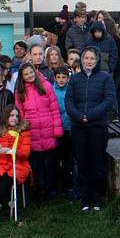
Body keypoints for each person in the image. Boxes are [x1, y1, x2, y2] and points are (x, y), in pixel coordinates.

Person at [65, 47, 115, 211]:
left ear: (97, 60)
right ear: (82, 59)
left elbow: (108, 100)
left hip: (97, 126)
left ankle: (97, 198)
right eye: (86, 58)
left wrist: (90, 115)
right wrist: (79, 116)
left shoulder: (105, 78)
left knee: (97, 163)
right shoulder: (74, 79)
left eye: (92, 58)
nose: (89, 61)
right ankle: (85, 199)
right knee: (83, 163)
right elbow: (69, 101)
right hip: (79, 127)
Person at [15, 63, 63, 200]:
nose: (29, 76)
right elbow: (20, 114)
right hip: (32, 133)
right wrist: (23, 131)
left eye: (31, 73)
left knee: (49, 163)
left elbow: (54, 109)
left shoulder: (46, 86)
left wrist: (57, 129)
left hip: (48, 131)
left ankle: (49, 189)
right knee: (35, 164)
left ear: (35, 72)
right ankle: (38, 189)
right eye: (26, 74)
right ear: (22, 77)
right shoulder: (20, 91)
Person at [52, 66, 74, 196]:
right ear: (54, 78)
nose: (61, 80)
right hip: (56, 129)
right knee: (55, 158)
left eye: (64, 77)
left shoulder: (71, 90)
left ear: (68, 78)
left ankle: (68, 185)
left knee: (68, 159)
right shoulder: (51, 90)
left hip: (69, 128)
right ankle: (55, 186)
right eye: (58, 77)